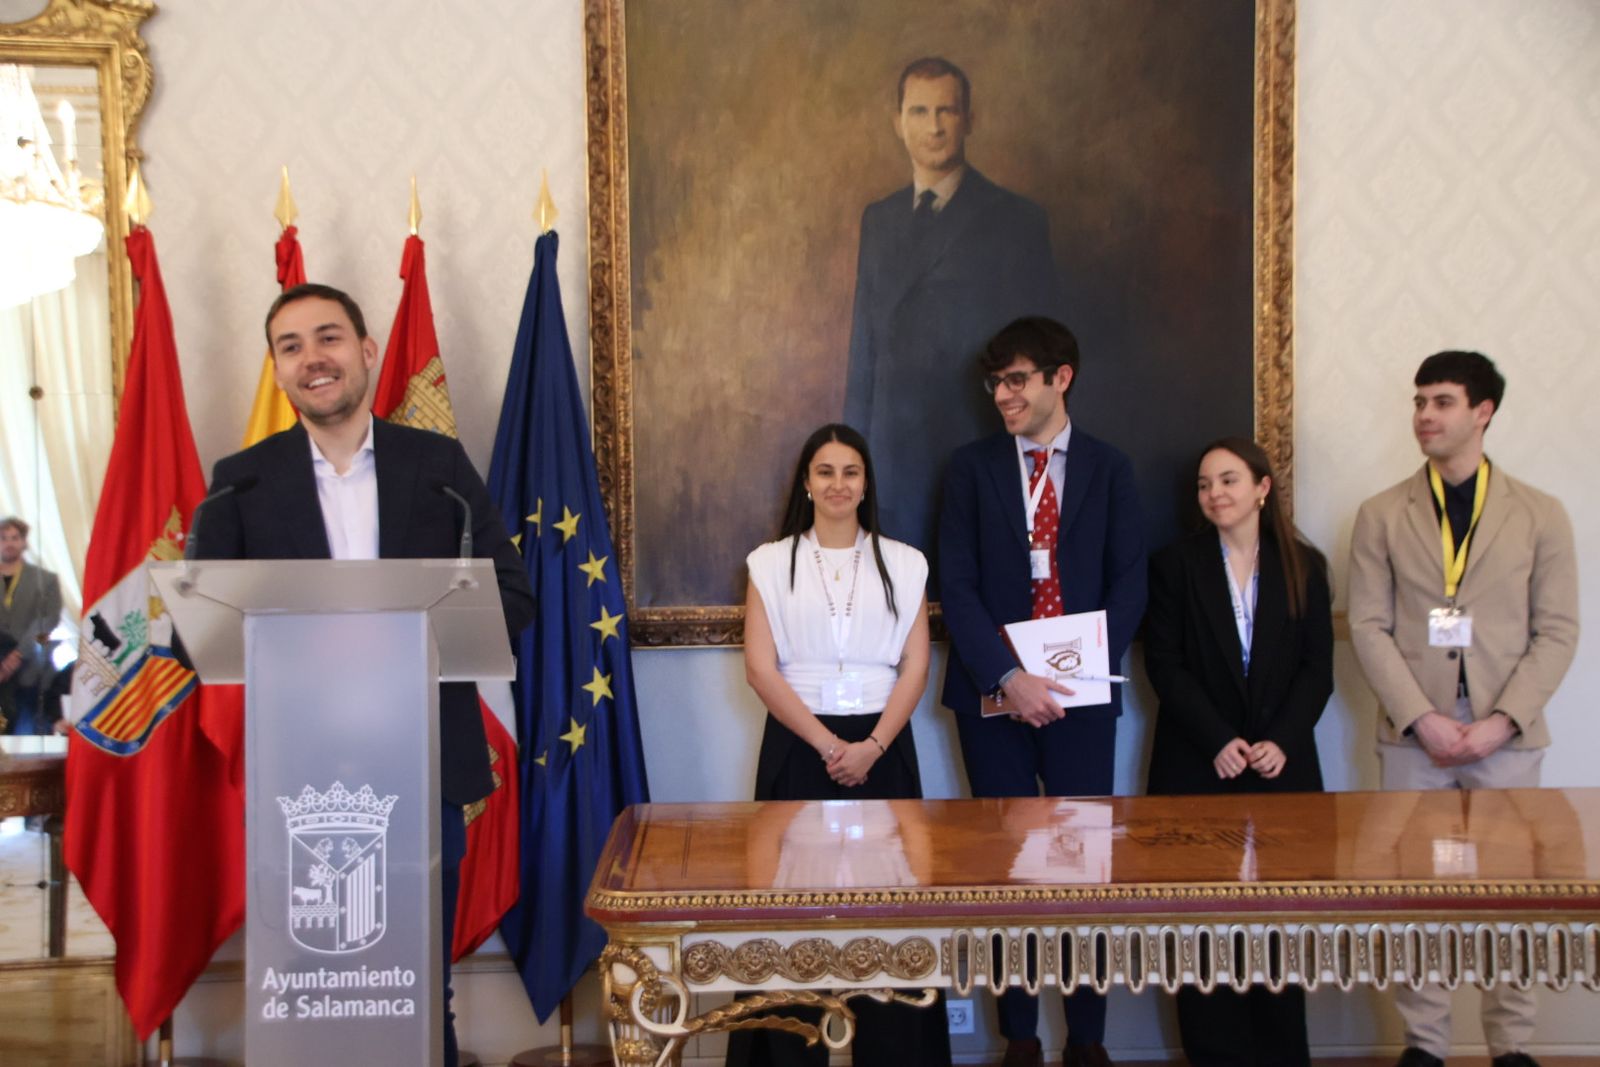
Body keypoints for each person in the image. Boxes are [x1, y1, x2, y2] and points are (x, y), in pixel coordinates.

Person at [190, 283, 535, 1067]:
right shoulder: (242, 480)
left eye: (329, 337)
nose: (313, 357)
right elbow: (199, 630)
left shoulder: (438, 466)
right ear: (277, 369)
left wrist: (395, 641)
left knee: (419, 984)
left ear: (366, 351)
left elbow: (511, 595)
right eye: (291, 345)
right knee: (308, 982)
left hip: (421, 769)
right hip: (297, 779)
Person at [1348, 351, 1579, 1067]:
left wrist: (1500, 721)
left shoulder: (1541, 513)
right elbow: (1366, 625)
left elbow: (1559, 629)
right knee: (1416, 892)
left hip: (1506, 738)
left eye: (1442, 401)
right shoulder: (1382, 513)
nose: (1424, 415)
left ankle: (1510, 1043)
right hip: (1415, 736)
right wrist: (1425, 719)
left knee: (1512, 894)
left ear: (1483, 411)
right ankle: (1426, 1043)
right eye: (1419, 400)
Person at [938, 317, 1146, 1067]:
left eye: (1016, 379)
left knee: (1083, 867)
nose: (1002, 395)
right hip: (991, 698)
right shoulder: (970, 468)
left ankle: (1086, 1039)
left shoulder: (1111, 468)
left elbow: (1130, 583)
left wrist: (1076, 673)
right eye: (994, 382)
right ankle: (1019, 1037)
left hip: (1082, 701)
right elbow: (955, 584)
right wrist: (1008, 675)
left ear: (1063, 377)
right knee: (1007, 867)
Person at [727, 423, 951, 1067]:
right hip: (801, 746)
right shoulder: (770, 562)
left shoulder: (906, 563)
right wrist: (830, 745)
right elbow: (761, 669)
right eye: (825, 471)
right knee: (788, 920)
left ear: (865, 483)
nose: (838, 484)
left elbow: (914, 666)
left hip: (883, 747)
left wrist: (872, 745)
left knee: (892, 920)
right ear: (806, 482)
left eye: (850, 472)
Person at [1144, 437, 1332, 1067]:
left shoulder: (1305, 564)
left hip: (1282, 769)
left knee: (1281, 926)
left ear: (1261, 488)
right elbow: (1164, 665)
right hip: (1196, 763)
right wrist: (1218, 739)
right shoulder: (1175, 564)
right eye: (1203, 485)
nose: (1214, 494)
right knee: (1199, 927)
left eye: (1227, 480)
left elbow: (1317, 670)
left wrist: (1281, 740)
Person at [844, 56, 1064, 556]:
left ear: (969, 119)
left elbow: (1044, 355)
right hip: (894, 451)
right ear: (898, 122)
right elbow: (865, 346)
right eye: (919, 111)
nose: (934, 126)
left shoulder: (1017, 220)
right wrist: (854, 450)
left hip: (977, 438)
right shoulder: (878, 220)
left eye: (947, 111)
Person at [0, 516, 63, 735]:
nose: (9, 543)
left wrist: (18, 654)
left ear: (24, 542)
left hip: (32, 668)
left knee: (28, 735)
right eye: (3, 538)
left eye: (14, 538)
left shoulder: (46, 580)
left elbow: (49, 621)